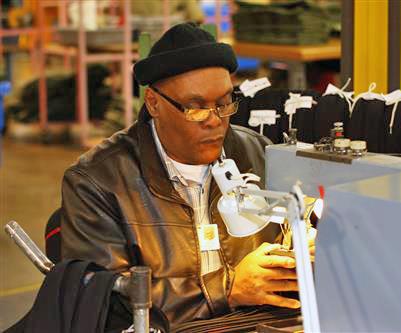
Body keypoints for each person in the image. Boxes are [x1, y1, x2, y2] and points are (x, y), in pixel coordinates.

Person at [60, 23, 300, 327]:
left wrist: (303, 252)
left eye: (224, 104)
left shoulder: (256, 153)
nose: (215, 121)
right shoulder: (96, 181)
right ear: (154, 103)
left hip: (254, 322)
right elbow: (103, 298)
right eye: (196, 108)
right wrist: (226, 288)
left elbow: (290, 234)